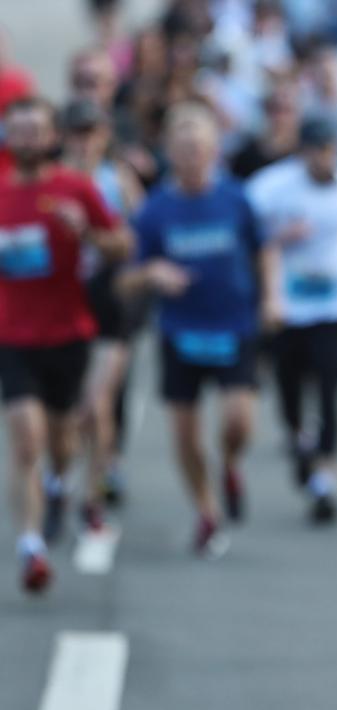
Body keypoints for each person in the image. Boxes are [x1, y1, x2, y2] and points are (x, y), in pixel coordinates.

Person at [118, 101, 273, 557]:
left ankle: (229, 463)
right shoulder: (155, 210)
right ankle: (207, 512)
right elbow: (126, 277)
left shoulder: (236, 199)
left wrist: (270, 298)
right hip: (180, 331)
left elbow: (263, 252)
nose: (190, 156)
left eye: (198, 147)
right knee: (185, 435)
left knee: (237, 422)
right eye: (181, 148)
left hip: (233, 324)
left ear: (214, 149)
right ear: (169, 152)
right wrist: (153, 274)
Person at [0, 97, 131, 590]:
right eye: (19, 131)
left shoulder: (75, 187)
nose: (28, 139)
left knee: (61, 439)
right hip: (11, 335)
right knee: (24, 438)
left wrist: (89, 232)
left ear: (51, 136)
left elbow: (122, 244)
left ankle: (59, 485)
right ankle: (31, 547)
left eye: (36, 130)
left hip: (68, 333)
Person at [247, 117, 337, 523]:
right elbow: (251, 241)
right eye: (316, 150)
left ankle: (325, 480)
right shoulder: (270, 187)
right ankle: (298, 439)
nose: (325, 159)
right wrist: (279, 240)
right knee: (290, 390)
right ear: (302, 151)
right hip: (288, 307)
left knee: (329, 390)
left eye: (331, 149)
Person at [61, 97, 145, 528]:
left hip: (108, 300)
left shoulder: (119, 180)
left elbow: (139, 237)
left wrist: (93, 234)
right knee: (65, 408)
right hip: (58, 300)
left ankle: (93, 492)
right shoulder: (48, 181)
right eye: (77, 131)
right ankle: (62, 476)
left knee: (95, 404)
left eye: (92, 132)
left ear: (104, 136)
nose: (84, 141)